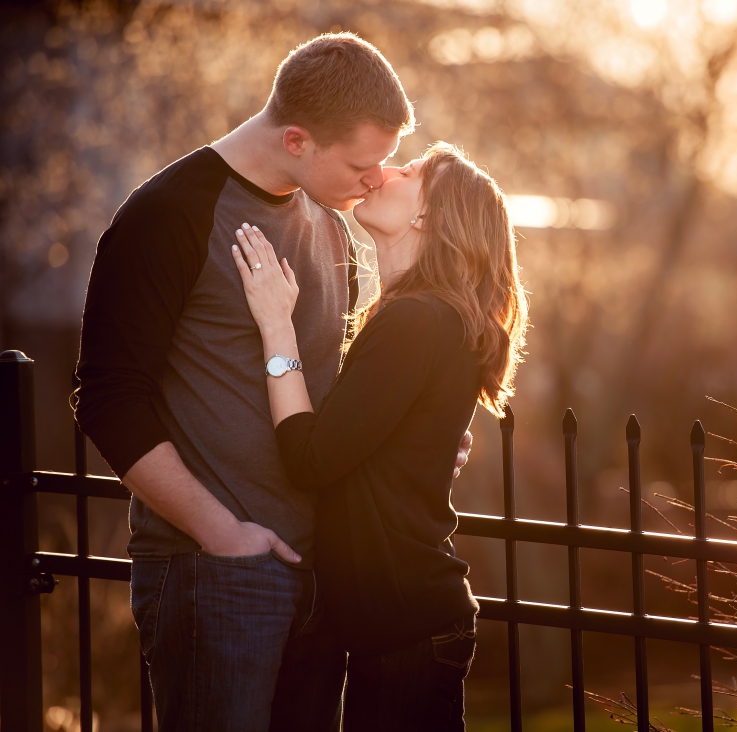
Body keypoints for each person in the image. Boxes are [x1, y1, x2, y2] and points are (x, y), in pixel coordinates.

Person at [73, 33, 471, 731]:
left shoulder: (335, 228)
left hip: (322, 577)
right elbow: (106, 398)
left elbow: (338, 390)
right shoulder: (169, 214)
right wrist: (221, 532)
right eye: (360, 164)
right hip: (215, 573)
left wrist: (415, 429)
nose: (374, 179)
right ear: (296, 139)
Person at [229, 141, 527, 731]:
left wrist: (275, 327)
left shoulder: (417, 320)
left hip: (406, 630)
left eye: (410, 170)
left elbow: (311, 459)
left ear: (430, 216)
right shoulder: (419, 315)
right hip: (394, 626)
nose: (383, 171)